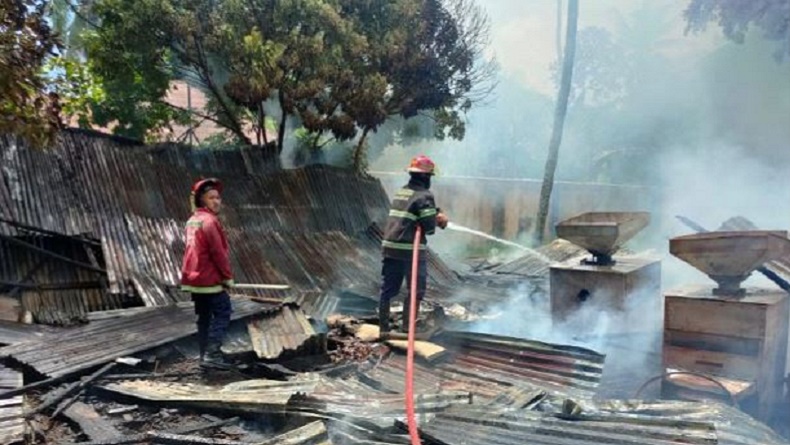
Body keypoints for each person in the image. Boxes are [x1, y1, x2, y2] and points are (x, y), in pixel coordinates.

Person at [379, 155, 449, 336]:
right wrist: (440, 220)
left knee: (389, 288)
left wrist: (435, 211)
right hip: (410, 250)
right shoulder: (425, 195)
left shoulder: (402, 192)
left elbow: (416, 211)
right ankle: (408, 328)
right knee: (416, 289)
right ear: (426, 177)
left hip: (390, 247)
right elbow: (429, 227)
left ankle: (384, 329)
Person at [180, 178, 235, 370]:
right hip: (209, 278)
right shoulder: (210, 221)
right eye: (211, 198)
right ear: (202, 200)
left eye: (218, 198)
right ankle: (212, 355)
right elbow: (217, 253)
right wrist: (227, 278)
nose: (216, 201)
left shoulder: (192, 220)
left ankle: (204, 355)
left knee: (204, 317)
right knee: (223, 312)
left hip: (194, 279)